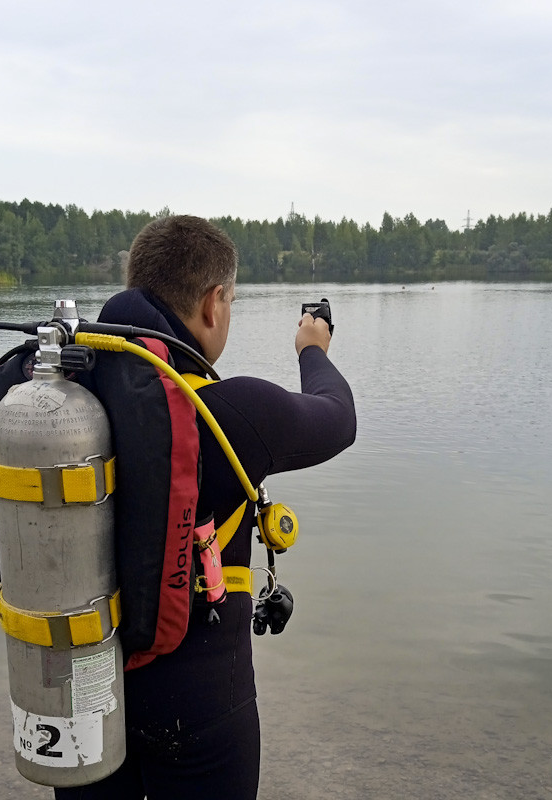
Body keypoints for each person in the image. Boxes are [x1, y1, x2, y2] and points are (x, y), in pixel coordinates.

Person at [55, 215, 356, 800]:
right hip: (197, 708)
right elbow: (337, 416)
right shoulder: (230, 415)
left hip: (78, 698)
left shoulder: (61, 406)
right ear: (214, 303)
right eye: (232, 301)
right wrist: (312, 348)